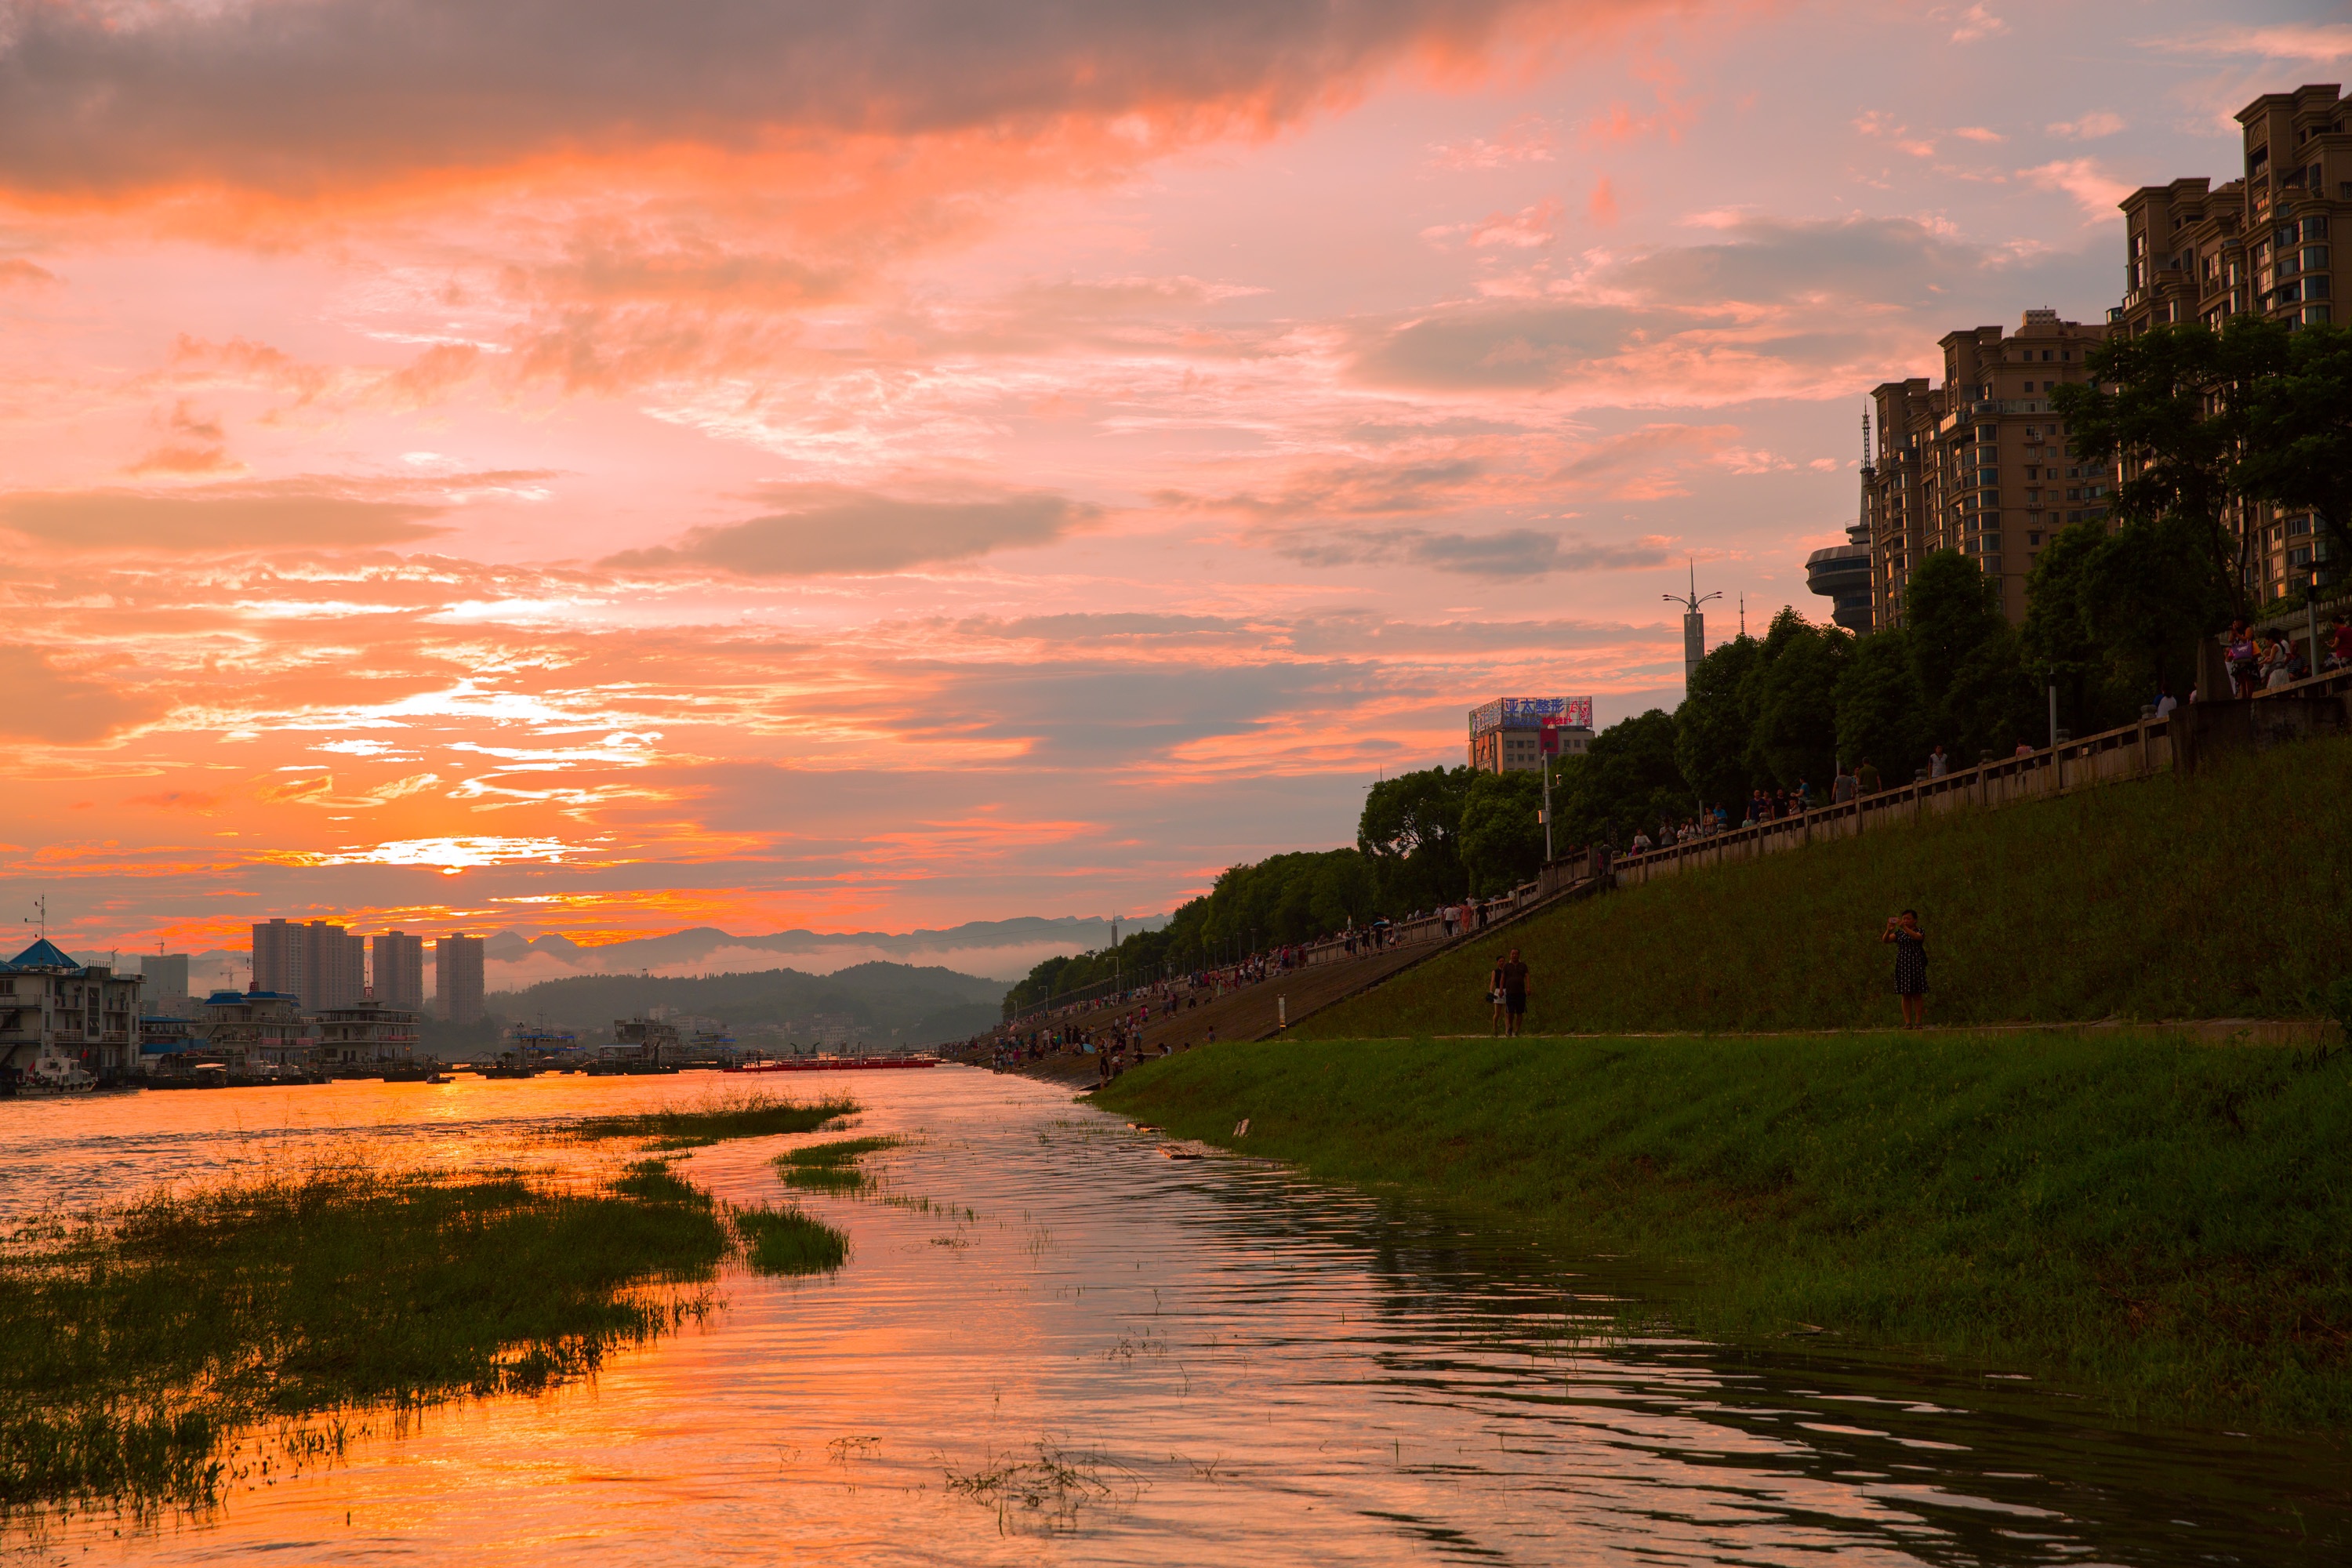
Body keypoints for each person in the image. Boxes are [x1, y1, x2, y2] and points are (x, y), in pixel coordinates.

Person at [1881, 909, 1927, 1029]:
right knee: (1905, 995)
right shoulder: (1899, 934)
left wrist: (1905, 928)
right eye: (1904, 919)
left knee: (1917, 994)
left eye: (1908, 919)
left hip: (1916, 965)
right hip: (1903, 966)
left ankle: (1918, 1022)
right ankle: (1907, 1022)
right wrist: (1888, 930)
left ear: (1915, 920)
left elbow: (1917, 937)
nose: (1905, 921)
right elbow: (1885, 940)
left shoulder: (1919, 931)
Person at [1490, 946, 1530, 1038]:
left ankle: (1512, 1030)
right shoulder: (1502, 969)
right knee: (1504, 1012)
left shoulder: (1523, 966)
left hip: (1519, 992)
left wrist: (1528, 987)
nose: (1514, 956)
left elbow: (1527, 976)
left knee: (1516, 1012)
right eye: (1512, 954)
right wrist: (1495, 990)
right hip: (1506, 992)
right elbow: (1498, 980)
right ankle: (1498, 1027)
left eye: (1516, 954)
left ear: (1519, 955)